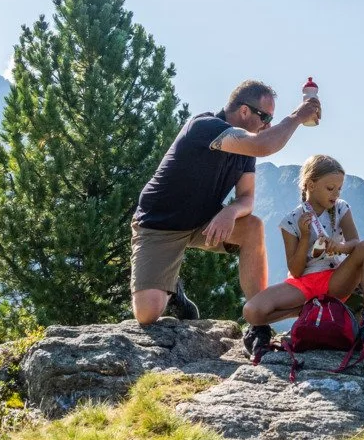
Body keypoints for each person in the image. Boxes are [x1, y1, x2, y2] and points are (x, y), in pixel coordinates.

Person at [130, 80, 320, 329]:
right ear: (244, 111)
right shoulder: (205, 127)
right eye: (264, 117)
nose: (268, 125)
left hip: (203, 221)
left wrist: (231, 211)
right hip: (159, 224)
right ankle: (173, 291)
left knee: (252, 226)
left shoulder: (246, 150)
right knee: (147, 313)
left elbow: (247, 198)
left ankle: (258, 319)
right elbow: (264, 146)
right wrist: (296, 117)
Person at [241, 155, 364, 357]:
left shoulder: (341, 208)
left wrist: (340, 247)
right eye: (330, 188)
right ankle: (305, 309)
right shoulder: (290, 221)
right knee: (251, 310)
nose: (335, 194)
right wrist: (305, 236)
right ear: (311, 184)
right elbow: (295, 270)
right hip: (303, 283)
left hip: (336, 279)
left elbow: (356, 243)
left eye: (339, 189)